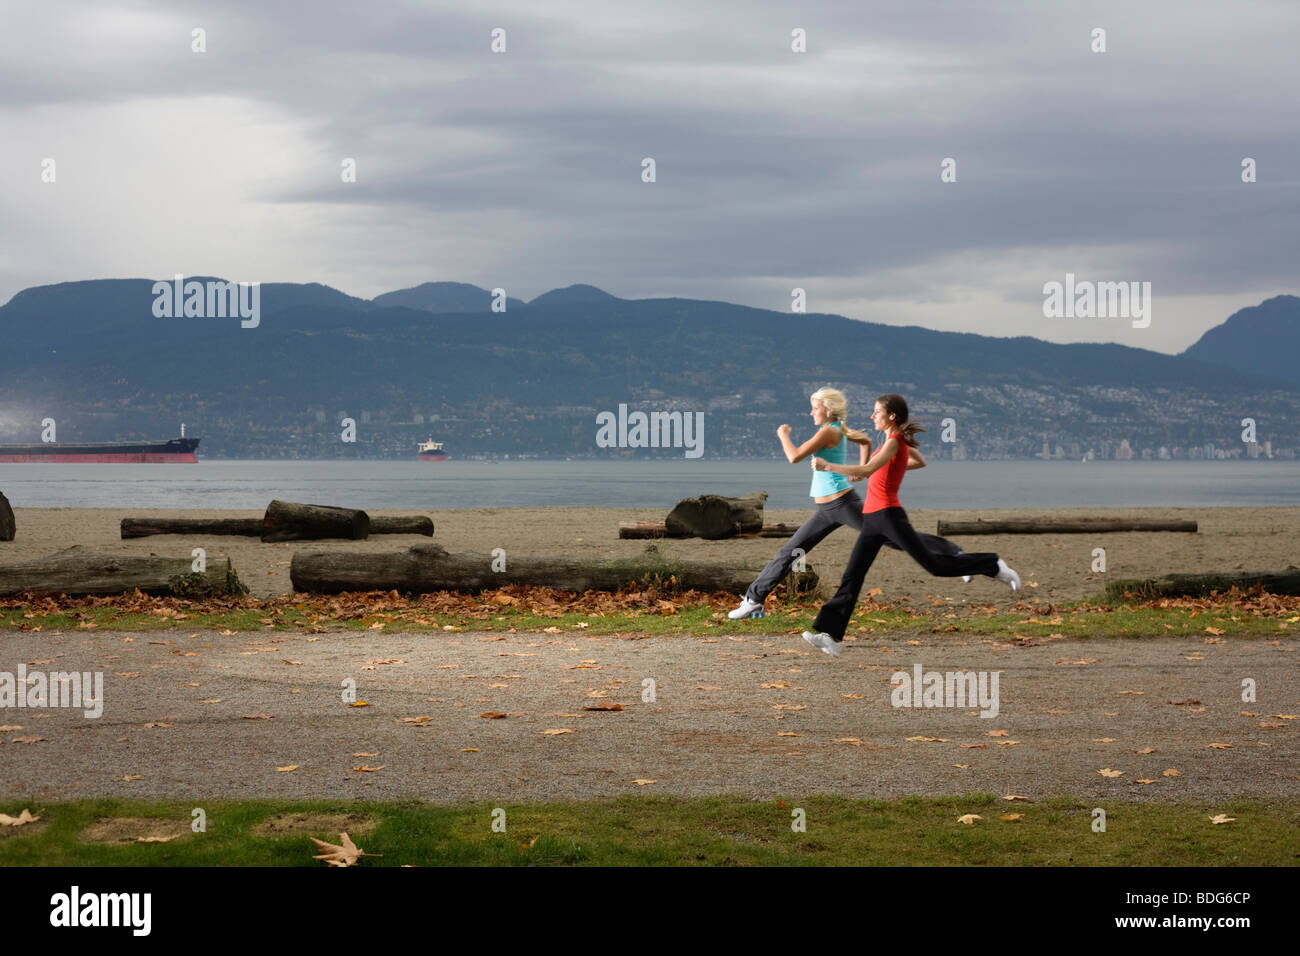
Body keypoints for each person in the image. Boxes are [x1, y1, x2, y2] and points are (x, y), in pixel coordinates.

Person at [801, 393, 1021, 658]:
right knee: (853, 576)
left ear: (891, 416)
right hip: (872, 518)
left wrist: (827, 466)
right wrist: (886, 470)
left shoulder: (894, 442)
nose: (872, 416)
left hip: (890, 516)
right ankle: (831, 636)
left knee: (935, 566)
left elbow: (869, 469)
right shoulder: (891, 443)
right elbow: (915, 462)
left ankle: (992, 564)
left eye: (876, 412)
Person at [728, 387, 968, 620]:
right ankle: (754, 601)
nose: (811, 413)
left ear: (829, 410)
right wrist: (861, 472)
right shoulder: (839, 429)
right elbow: (865, 442)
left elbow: (794, 456)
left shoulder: (828, 432)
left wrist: (783, 435)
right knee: (790, 552)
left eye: (815, 408)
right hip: (827, 509)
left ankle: (952, 552)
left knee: (892, 538)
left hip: (842, 504)